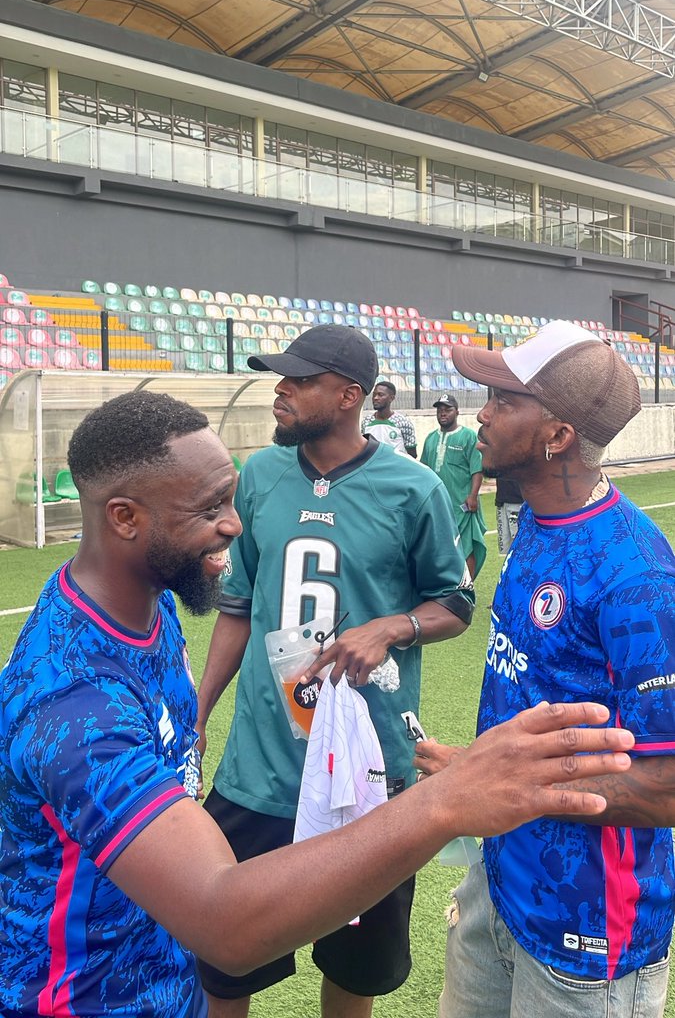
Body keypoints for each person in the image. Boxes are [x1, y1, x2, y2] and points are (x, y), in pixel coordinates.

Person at [0, 388, 637, 1018]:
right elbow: (224, 919)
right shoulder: (74, 704)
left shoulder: (147, 601)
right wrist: (446, 801)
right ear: (124, 517)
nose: (234, 524)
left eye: (230, 498)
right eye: (208, 509)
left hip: (163, 985)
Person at [196, 324, 471, 1017]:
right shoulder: (258, 475)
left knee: (357, 970)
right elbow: (237, 608)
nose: (279, 391)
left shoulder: (414, 489)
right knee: (222, 961)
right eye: (279, 378)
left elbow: (455, 603)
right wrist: (199, 712)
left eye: (298, 380)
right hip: (259, 771)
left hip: (365, 774)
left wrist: (394, 625)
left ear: (348, 396)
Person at [414, 320, 675, 1018]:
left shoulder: (636, 576)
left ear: (556, 435)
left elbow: (669, 785)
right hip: (498, 886)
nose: (482, 413)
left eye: (502, 398)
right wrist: (476, 771)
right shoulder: (535, 520)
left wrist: (507, 786)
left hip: (587, 933)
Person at [420, 394, 487, 579]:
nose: (443, 413)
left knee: (466, 546)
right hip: (437, 504)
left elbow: (477, 468)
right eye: (440, 410)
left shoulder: (468, 436)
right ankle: (448, 586)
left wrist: (473, 496)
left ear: (457, 412)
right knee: (440, 546)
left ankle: (468, 587)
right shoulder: (431, 438)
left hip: (462, 504)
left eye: (447, 410)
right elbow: (424, 470)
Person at [361, 379, 417, 456]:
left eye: (380, 395)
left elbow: (412, 454)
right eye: (374, 394)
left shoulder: (402, 422)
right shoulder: (366, 422)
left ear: (391, 398)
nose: (375, 398)